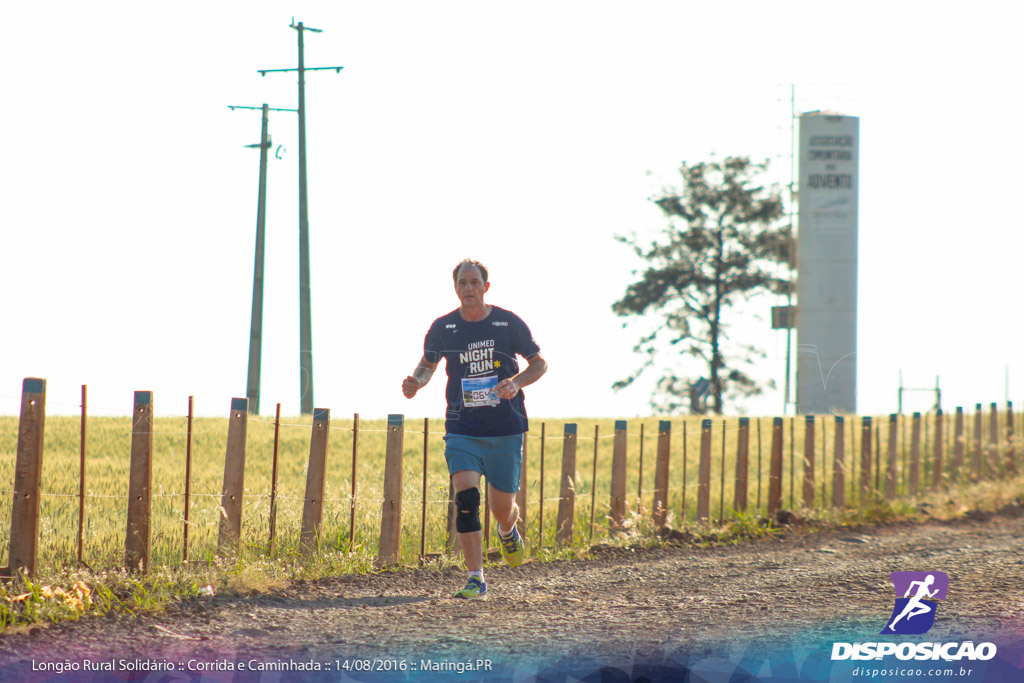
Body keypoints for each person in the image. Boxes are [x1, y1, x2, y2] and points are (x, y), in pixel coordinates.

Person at [402, 259, 547, 599]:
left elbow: (539, 363)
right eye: (462, 283)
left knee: (500, 508)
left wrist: (516, 381)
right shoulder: (443, 327)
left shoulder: (507, 323)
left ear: (486, 287)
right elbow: (427, 365)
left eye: (474, 282)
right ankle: (476, 578)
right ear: (456, 288)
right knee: (466, 500)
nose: (468, 288)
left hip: (505, 428)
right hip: (462, 428)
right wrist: (416, 383)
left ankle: (508, 529)